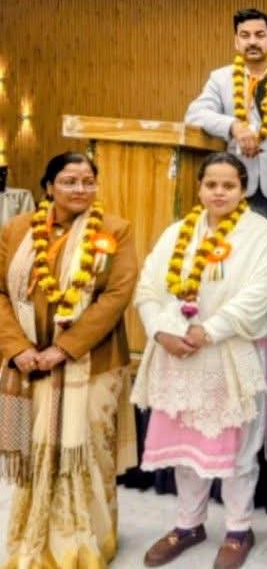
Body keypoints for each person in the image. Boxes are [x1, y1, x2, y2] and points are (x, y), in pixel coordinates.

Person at [133, 152, 267, 569]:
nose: (219, 193)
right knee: (186, 448)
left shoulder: (258, 232)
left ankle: (238, 529)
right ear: (199, 188)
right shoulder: (178, 232)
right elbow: (148, 288)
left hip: (232, 352)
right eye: (211, 185)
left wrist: (208, 330)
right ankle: (188, 525)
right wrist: (160, 331)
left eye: (228, 185)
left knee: (238, 448)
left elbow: (258, 294)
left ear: (243, 189)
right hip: (179, 355)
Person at [0, 152, 139, 568]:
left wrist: (65, 348)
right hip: (28, 364)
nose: (80, 189)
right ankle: (34, 541)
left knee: (89, 453)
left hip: (93, 362)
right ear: (48, 187)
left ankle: (88, 543)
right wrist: (17, 348)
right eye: (69, 181)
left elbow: (116, 296)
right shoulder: (16, 229)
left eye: (88, 181)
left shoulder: (115, 229)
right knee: (35, 452)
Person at [184, 7, 267, 364]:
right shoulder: (220, 79)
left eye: (259, 35)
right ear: (236, 41)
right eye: (245, 36)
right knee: (240, 265)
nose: (253, 42)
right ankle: (241, 334)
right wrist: (234, 126)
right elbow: (195, 114)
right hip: (236, 190)